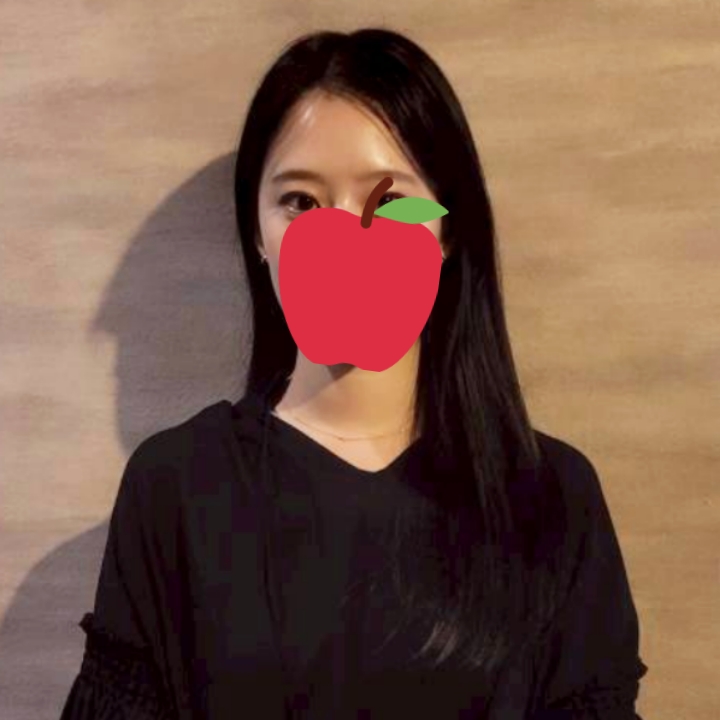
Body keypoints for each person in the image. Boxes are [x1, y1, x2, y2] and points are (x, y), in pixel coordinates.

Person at [58, 27, 649, 720]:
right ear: (255, 233)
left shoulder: (551, 496)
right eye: (301, 202)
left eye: (389, 203)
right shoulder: (177, 487)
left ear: (447, 230)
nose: (343, 238)